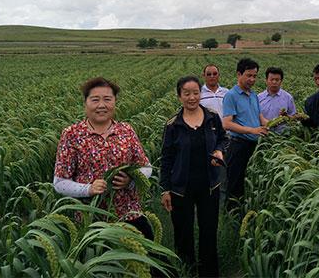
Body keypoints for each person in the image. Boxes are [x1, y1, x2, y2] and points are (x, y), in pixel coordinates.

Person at [53, 77, 153, 238]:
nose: (101, 105)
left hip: (129, 214)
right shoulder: (72, 134)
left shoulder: (126, 130)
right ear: (85, 103)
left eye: (107, 99)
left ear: (115, 102)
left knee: (143, 258)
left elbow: (146, 166)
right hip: (92, 219)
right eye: (95, 100)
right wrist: (88, 189)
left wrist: (132, 179)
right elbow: (59, 183)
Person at [160, 76, 227, 278]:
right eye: (186, 93)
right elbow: (166, 158)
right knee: (183, 232)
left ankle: (209, 272)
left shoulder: (212, 117)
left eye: (195, 93)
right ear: (179, 96)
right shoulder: (173, 125)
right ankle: (187, 270)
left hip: (209, 185)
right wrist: (165, 188)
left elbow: (223, 139)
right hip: (181, 187)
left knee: (209, 230)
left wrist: (219, 151)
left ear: (201, 93)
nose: (192, 97)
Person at [222, 58, 268, 208]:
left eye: (255, 76)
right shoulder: (231, 95)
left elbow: (259, 117)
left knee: (250, 182)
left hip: (253, 146)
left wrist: (275, 124)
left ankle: (245, 212)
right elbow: (227, 123)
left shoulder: (254, 95)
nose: (252, 79)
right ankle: (232, 218)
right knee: (235, 185)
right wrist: (252, 130)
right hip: (238, 146)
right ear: (239, 74)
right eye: (249, 75)